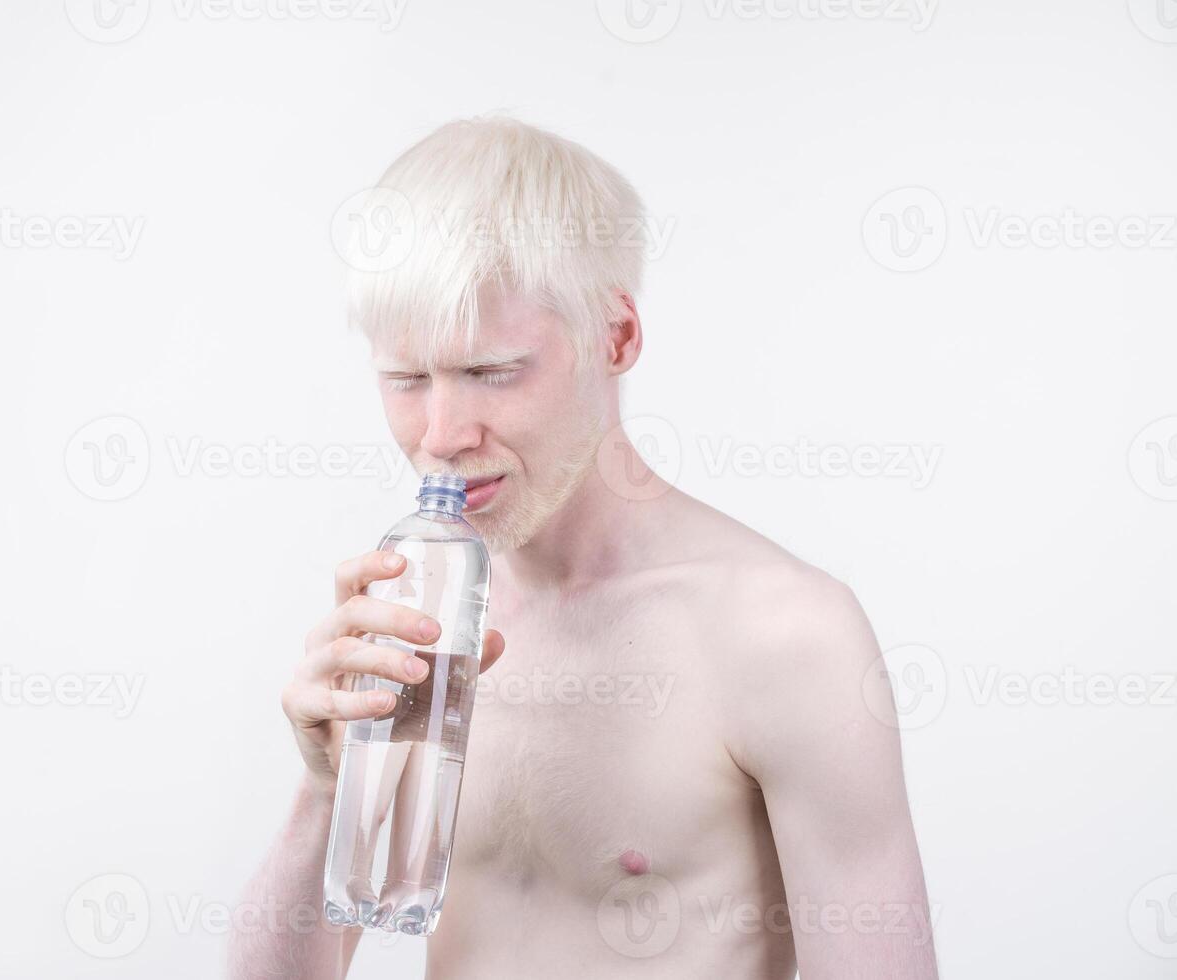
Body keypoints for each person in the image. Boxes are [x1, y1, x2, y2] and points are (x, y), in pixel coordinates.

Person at [230, 114, 938, 979]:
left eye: (491, 371)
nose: (442, 434)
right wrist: (324, 788)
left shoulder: (786, 634)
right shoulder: (417, 625)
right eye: (406, 379)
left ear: (618, 337)